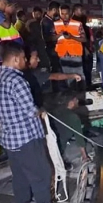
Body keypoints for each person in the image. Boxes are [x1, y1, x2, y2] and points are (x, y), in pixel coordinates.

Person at [0, 41, 52, 203]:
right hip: (26, 140)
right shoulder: (17, 81)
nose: (25, 61)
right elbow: (31, 111)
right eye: (23, 58)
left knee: (20, 178)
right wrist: (41, 112)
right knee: (41, 178)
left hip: (9, 140)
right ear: (15, 59)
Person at [54, 4, 87, 88]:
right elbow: (50, 38)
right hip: (63, 55)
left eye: (66, 13)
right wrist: (59, 34)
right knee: (68, 78)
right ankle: (72, 97)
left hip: (75, 54)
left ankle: (81, 97)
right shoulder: (56, 24)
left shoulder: (77, 24)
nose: (64, 16)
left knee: (80, 77)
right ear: (59, 13)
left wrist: (71, 37)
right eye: (62, 14)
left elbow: (84, 39)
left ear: (70, 13)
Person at [51, 92, 88, 165]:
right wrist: (84, 156)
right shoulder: (73, 117)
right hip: (61, 150)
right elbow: (79, 138)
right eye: (76, 100)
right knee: (90, 147)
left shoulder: (54, 112)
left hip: (52, 147)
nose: (77, 101)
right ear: (71, 102)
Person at [72, 4, 94, 89]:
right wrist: (86, 48)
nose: (82, 12)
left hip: (84, 48)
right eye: (80, 10)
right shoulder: (75, 22)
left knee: (86, 67)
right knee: (84, 68)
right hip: (80, 49)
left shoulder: (80, 22)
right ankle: (85, 85)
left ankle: (86, 84)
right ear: (75, 10)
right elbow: (80, 38)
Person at [41, 1, 61, 91]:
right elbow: (46, 38)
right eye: (58, 11)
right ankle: (55, 90)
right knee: (54, 70)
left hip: (55, 49)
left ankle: (57, 89)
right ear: (54, 10)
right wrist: (58, 36)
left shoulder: (51, 21)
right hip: (50, 50)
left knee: (57, 69)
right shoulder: (46, 22)